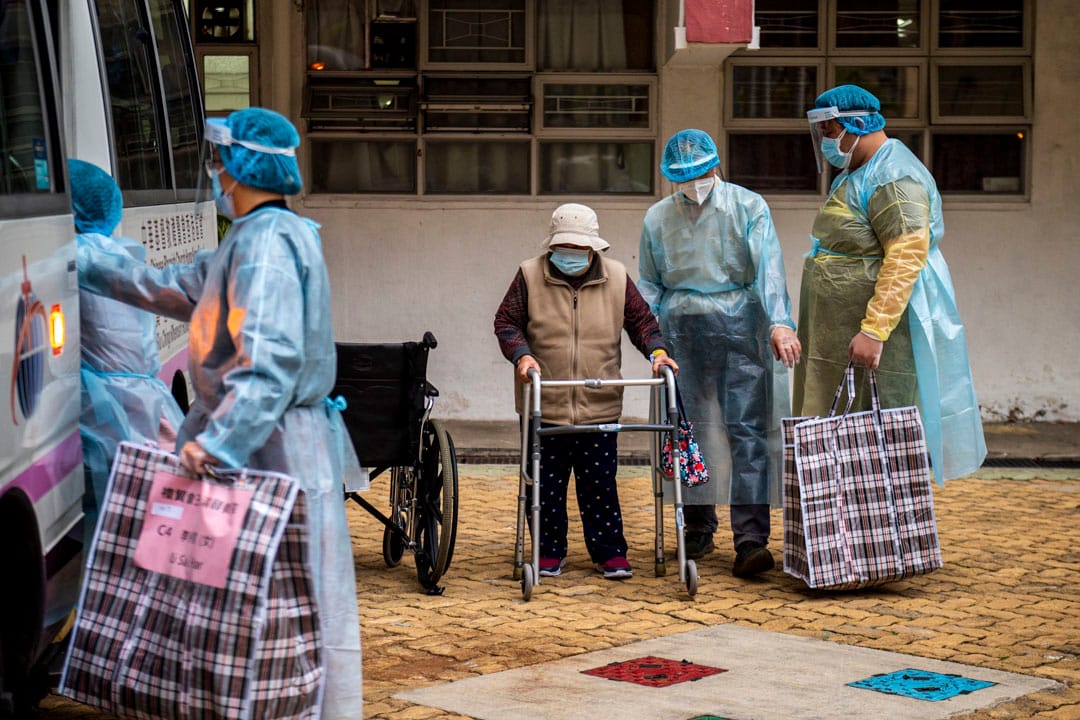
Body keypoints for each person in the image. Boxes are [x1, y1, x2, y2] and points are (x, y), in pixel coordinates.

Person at [75, 107, 364, 719]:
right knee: (248, 600)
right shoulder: (257, 240)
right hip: (265, 438)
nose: (213, 173)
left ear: (240, 166)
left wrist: (220, 442)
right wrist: (83, 256)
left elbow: (272, 361)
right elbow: (172, 288)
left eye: (217, 161)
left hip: (275, 443)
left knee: (287, 599)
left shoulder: (269, 248)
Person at [795, 84, 986, 480]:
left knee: (875, 440)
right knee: (846, 439)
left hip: (875, 335)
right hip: (843, 331)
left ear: (857, 124)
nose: (828, 141)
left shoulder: (894, 177)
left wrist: (875, 329)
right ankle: (848, 535)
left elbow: (905, 256)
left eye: (831, 130)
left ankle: (876, 538)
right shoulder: (860, 171)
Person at [638, 129, 800, 578]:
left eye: (700, 173)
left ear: (716, 165)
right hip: (680, 331)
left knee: (747, 430)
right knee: (689, 430)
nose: (694, 183)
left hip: (742, 326)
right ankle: (697, 525)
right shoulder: (657, 218)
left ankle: (750, 539)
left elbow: (769, 268)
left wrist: (779, 322)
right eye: (684, 177)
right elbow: (648, 283)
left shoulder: (749, 207)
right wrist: (650, 338)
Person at [494, 203, 679, 580]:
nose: (571, 256)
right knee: (545, 486)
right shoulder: (529, 275)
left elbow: (642, 322)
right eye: (565, 249)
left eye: (579, 250)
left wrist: (658, 353)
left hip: (599, 400)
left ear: (594, 249)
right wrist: (523, 357)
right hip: (544, 401)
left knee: (600, 484)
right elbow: (507, 322)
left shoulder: (616, 276)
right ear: (552, 246)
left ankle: (610, 553)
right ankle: (547, 552)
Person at [69, 158, 185, 539]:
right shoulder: (122, 251)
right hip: (147, 402)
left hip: (104, 406)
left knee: (106, 520)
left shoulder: (81, 256)